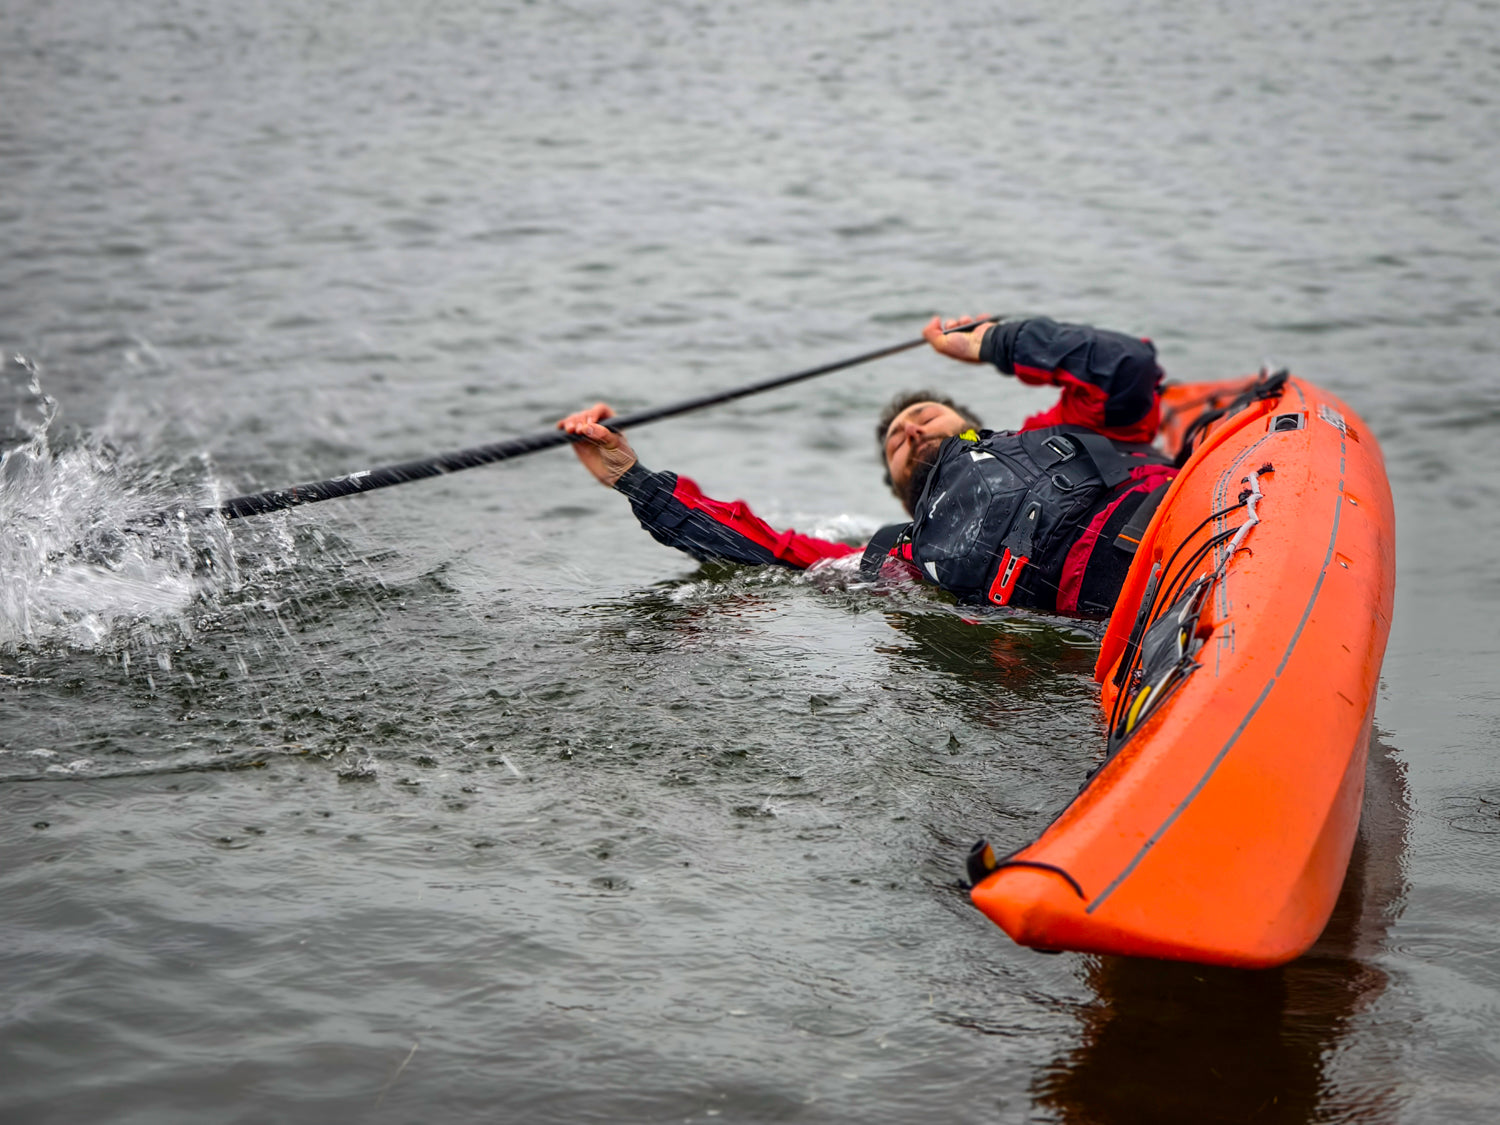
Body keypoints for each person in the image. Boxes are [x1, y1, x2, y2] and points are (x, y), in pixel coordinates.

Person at [557, 315, 1178, 619]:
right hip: (1133, 621)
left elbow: (1123, 365)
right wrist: (633, 479)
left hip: (1188, 538)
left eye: (925, 415)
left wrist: (992, 341)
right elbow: (764, 550)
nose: (910, 429)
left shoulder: (1075, 430)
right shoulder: (900, 557)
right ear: (905, 495)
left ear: (971, 426)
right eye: (896, 443)